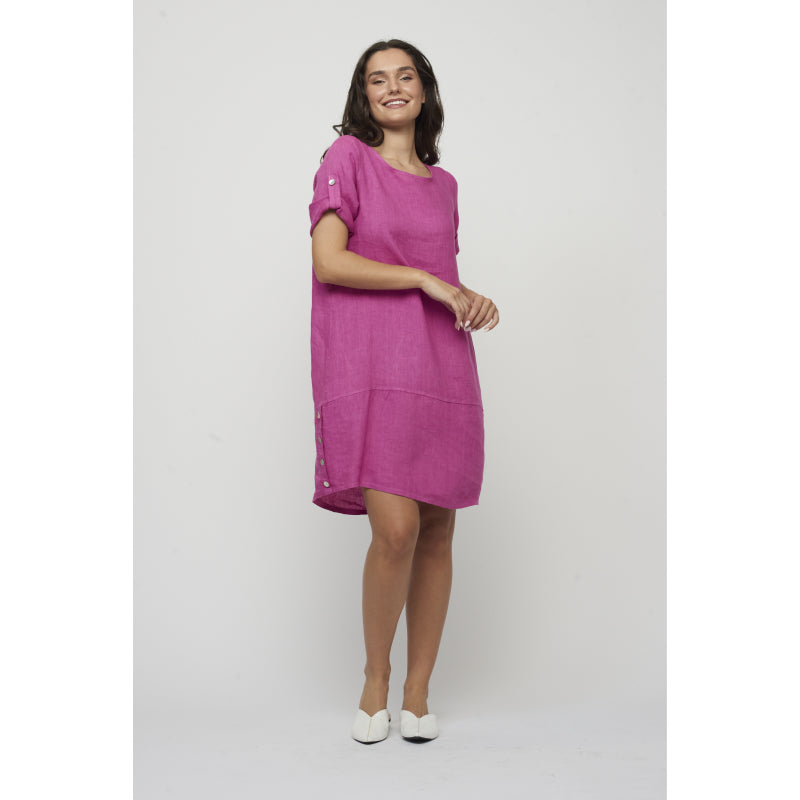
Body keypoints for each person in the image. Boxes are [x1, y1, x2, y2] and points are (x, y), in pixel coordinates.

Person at [308, 39, 499, 744]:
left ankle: (418, 690)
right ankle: (376, 678)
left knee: (439, 530)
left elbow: (438, 268)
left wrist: (466, 294)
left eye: (405, 75)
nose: (392, 87)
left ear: (424, 90)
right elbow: (330, 262)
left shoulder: (445, 185)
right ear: (364, 96)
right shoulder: (346, 160)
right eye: (377, 79)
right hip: (372, 364)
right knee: (396, 531)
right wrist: (423, 280)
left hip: (441, 361)